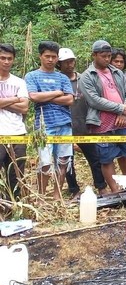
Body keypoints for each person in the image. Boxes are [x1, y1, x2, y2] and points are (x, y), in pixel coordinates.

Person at [79, 40, 126, 192]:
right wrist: (120, 108)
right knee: (106, 158)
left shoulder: (117, 72)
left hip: (124, 121)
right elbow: (94, 100)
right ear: (94, 55)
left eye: (108, 56)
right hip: (101, 122)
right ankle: (115, 191)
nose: (107, 59)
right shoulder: (87, 76)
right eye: (103, 56)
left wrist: (123, 113)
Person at [25, 41, 74, 201]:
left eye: (54, 57)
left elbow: (69, 100)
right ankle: (41, 196)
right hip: (43, 124)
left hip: (64, 123)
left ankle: (57, 194)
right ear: (40, 56)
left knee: (63, 161)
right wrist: (58, 92)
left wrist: (46, 96)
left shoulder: (62, 77)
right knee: (45, 163)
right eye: (47, 56)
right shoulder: (32, 76)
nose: (51, 60)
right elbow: (33, 96)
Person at [58, 47, 108, 197]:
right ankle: (74, 190)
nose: (69, 64)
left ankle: (101, 187)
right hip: (66, 126)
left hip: (86, 125)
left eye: (71, 61)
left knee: (95, 158)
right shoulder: (58, 80)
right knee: (68, 162)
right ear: (59, 64)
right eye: (65, 62)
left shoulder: (84, 79)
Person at [0, 43, 29, 199]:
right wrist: (14, 99)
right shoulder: (18, 88)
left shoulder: (19, 82)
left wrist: (3, 102)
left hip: (17, 133)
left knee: (16, 175)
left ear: (13, 60)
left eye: (9, 58)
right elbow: (20, 103)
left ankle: (15, 207)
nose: (6, 62)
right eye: (2, 58)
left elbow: (24, 107)